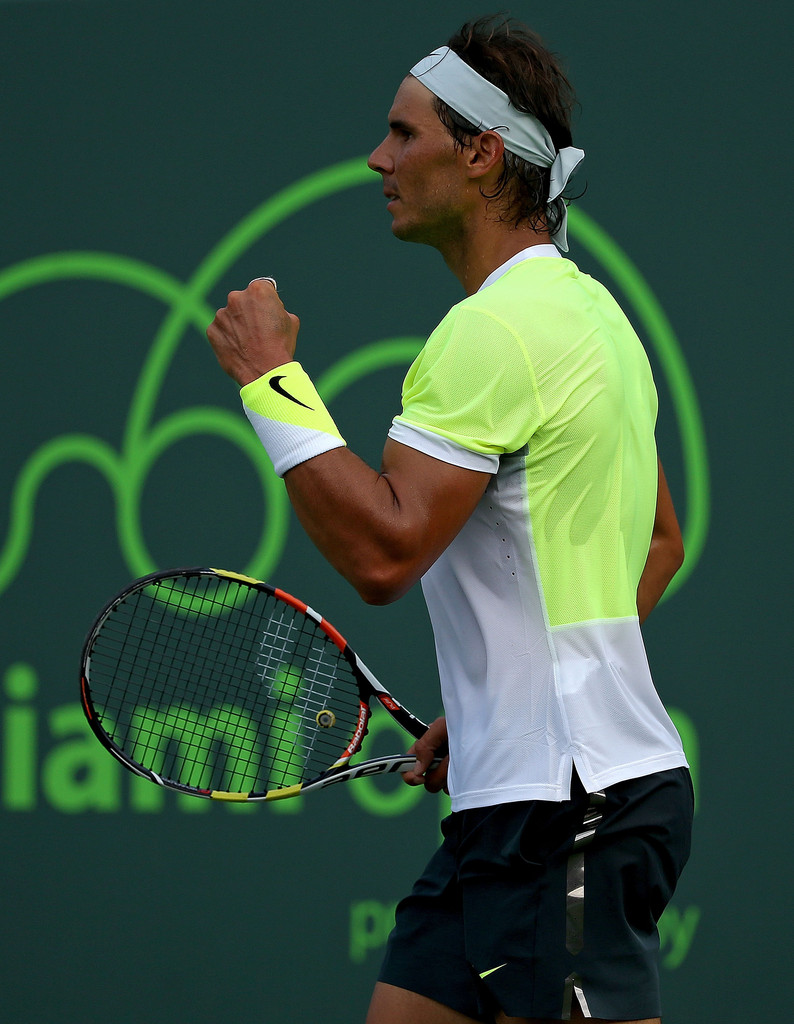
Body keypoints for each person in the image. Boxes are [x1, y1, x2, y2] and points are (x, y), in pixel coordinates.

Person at [206, 16, 693, 1024]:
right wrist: (498, 706)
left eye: (403, 134)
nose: (377, 158)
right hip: (529, 792)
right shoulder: (596, 317)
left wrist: (270, 384)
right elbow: (656, 543)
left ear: (478, 154)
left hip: (564, 813)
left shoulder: (489, 335)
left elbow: (384, 551)